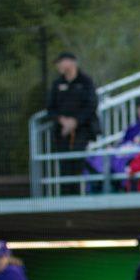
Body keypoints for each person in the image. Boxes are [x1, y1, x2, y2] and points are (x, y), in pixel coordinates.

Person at [47, 51, 100, 188]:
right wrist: (62, 120)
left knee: (78, 161)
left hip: (82, 130)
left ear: (71, 62)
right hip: (62, 132)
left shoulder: (86, 81)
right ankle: (66, 201)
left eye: (61, 62)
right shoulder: (57, 83)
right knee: (65, 166)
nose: (59, 66)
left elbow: (91, 104)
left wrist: (75, 122)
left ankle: (79, 196)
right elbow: (50, 108)